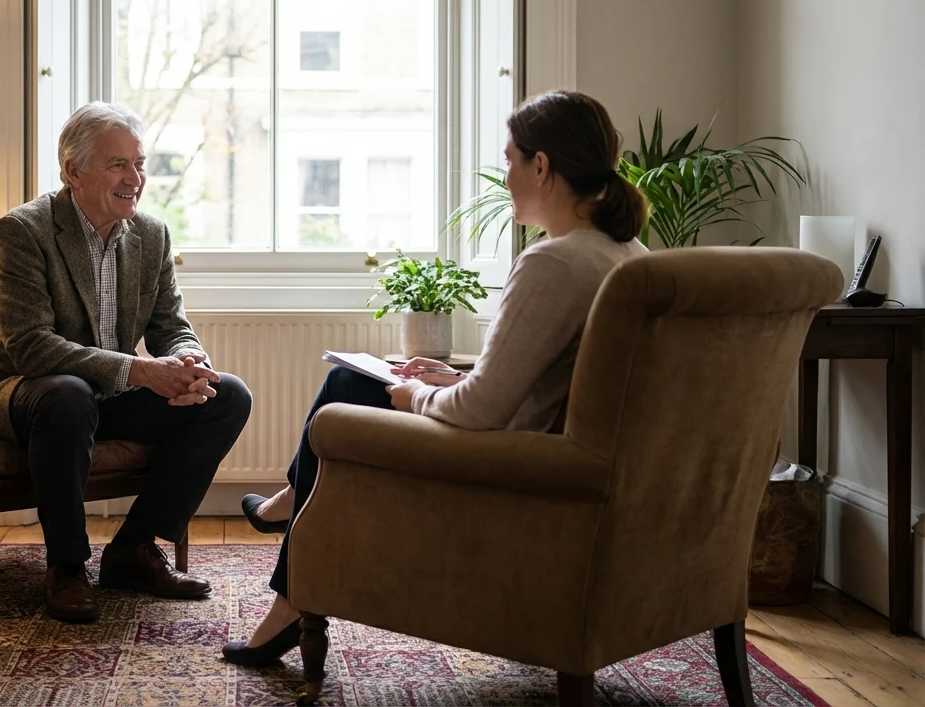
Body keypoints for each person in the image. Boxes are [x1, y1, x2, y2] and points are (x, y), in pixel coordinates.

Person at [222, 90, 650, 665]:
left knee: (345, 397)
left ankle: (292, 586)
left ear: (541, 167)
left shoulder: (555, 264)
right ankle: (291, 524)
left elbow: (480, 414)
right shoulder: (628, 254)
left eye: (510, 161)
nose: (506, 177)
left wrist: (416, 394)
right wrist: (449, 377)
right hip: (559, 455)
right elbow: (550, 382)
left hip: (511, 469)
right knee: (359, 382)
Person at [0, 101, 253, 624]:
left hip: (105, 395)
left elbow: (171, 325)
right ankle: (68, 566)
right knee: (67, 393)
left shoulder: (151, 235)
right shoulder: (22, 230)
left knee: (226, 394)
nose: (135, 178)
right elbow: (31, 346)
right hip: (23, 392)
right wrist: (141, 372)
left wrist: (188, 360)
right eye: (118, 164)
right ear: (73, 171)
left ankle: (133, 550)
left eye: (139, 164)